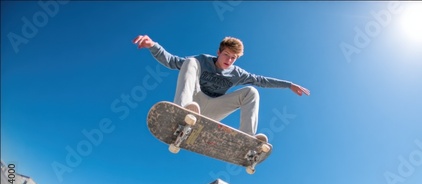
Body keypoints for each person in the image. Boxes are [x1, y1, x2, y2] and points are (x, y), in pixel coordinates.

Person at [132, 35, 310, 142]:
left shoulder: (237, 73)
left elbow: (261, 80)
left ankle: (246, 138)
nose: (229, 60)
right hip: (194, 103)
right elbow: (171, 61)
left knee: (252, 91)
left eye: (233, 58)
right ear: (218, 52)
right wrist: (153, 46)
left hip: (214, 109)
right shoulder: (203, 60)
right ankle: (182, 111)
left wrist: (288, 85)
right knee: (190, 62)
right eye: (226, 55)